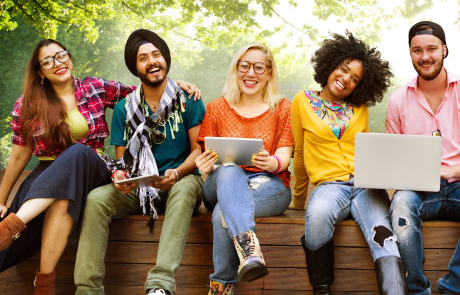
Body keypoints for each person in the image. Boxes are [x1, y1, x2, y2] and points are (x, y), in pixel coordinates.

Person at [74, 29, 206, 295]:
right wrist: (121, 178)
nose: (152, 61)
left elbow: (198, 151)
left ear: (166, 59)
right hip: (140, 188)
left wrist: (178, 173)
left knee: (185, 188)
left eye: (156, 54)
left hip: (178, 181)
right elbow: (123, 162)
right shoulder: (124, 108)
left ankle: (160, 284)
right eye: (143, 58)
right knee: (97, 199)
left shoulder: (188, 100)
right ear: (135, 68)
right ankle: (88, 289)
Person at [0, 39, 135, 294]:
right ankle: (44, 285)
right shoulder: (27, 103)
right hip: (48, 175)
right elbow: (19, 156)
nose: (58, 64)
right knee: (62, 198)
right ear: (40, 72)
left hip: (94, 169)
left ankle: (11, 227)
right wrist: (1, 200)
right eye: (48, 61)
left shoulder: (93, 87)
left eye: (61, 56)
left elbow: (140, 95)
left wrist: (176, 87)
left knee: (78, 152)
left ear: (70, 58)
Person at [387, 21, 460, 294]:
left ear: (445, 50)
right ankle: (416, 289)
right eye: (417, 50)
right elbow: (392, 160)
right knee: (401, 203)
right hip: (420, 190)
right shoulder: (398, 100)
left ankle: (453, 289)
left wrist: (448, 171)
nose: (425, 57)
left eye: (431, 49)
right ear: (411, 54)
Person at [291, 31, 406, 294]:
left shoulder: (360, 107)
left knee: (384, 236)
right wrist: (298, 199)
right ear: (330, 66)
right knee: (318, 215)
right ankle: (321, 288)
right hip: (330, 185)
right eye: (343, 70)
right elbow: (299, 153)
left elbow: (366, 149)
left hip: (366, 185)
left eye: (355, 79)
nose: (346, 80)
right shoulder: (302, 102)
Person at [195, 43, 293, 295]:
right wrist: (205, 165)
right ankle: (250, 250)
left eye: (259, 67)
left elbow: (284, 155)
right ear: (236, 69)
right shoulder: (217, 107)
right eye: (245, 66)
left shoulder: (282, 107)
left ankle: (221, 287)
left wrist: (273, 163)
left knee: (222, 214)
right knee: (229, 169)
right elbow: (207, 156)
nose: (251, 73)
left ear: (269, 72)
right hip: (220, 182)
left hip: (268, 185)